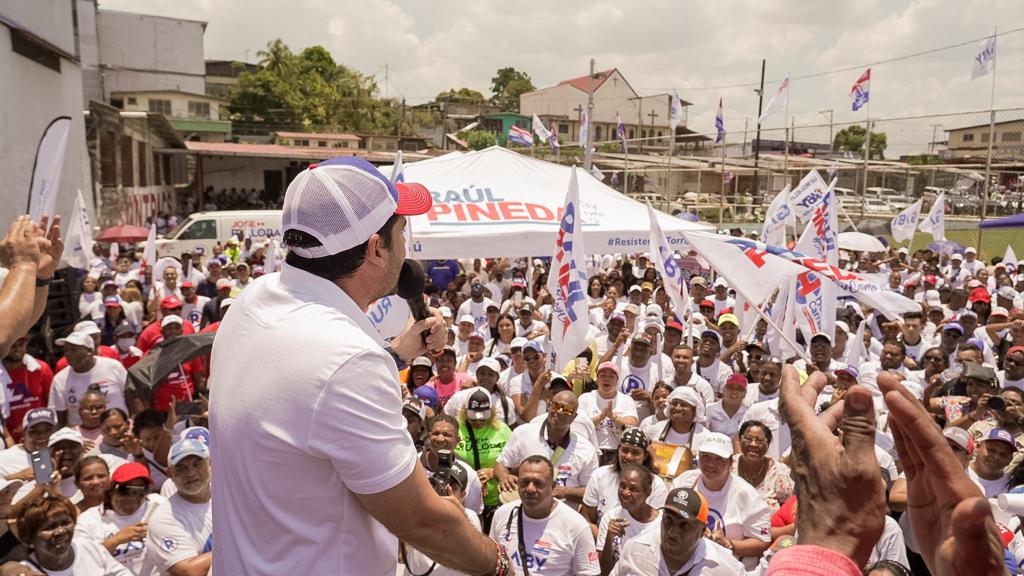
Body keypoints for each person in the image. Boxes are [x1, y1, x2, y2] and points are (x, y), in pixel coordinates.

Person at [209, 158, 503, 574]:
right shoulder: (349, 361)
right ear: (375, 249)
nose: (407, 246)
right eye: (402, 231)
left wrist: (395, 354)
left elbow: (307, 397)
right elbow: (423, 521)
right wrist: (503, 564)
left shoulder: (252, 301)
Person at [672, 432, 771, 569]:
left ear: (731, 462)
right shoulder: (683, 482)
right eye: (706, 456)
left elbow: (762, 542)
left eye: (719, 459)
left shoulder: (748, 496)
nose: (711, 464)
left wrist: (727, 544)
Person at [488, 455, 600, 576]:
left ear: (552, 487)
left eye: (538, 483)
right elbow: (491, 562)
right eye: (524, 482)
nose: (530, 489)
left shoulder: (576, 526)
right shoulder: (502, 514)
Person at [495, 390, 599, 506]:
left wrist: (565, 491)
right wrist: (504, 477)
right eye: (555, 406)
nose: (559, 411)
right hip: (522, 510)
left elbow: (592, 491)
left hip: (561, 517)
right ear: (549, 406)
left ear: (574, 416)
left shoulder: (586, 450)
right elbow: (502, 464)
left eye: (567, 410)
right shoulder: (522, 433)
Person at [609, 486, 743, 575]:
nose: (672, 532)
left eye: (684, 525)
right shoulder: (635, 549)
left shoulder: (725, 567)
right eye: (668, 520)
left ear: (702, 531)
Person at [74, 462, 166, 574]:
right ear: (112, 489)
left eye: (141, 491)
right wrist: (115, 541)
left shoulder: (159, 506)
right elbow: (81, 563)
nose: (133, 497)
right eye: (125, 490)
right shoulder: (88, 521)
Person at [14, 494, 131, 575]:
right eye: (49, 527)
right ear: (29, 538)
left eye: (65, 523)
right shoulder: (26, 572)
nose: (60, 531)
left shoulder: (88, 547)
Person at [145, 439, 212, 576]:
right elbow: (189, 572)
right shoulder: (164, 519)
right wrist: (237, 545)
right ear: (170, 474)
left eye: (197, 464)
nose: (191, 473)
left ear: (211, 463)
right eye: (181, 467)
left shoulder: (231, 497)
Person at [581, 427, 668, 531]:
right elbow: (588, 520)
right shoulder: (599, 475)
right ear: (618, 450)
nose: (629, 457)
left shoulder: (657, 485)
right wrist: (604, 542)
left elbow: (654, 527)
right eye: (625, 450)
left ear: (645, 456)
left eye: (635, 453)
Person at [453, 388, 513, 531]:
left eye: (483, 416)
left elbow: (515, 464)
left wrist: (494, 472)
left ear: (491, 411)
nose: (478, 420)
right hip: (464, 501)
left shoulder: (503, 430)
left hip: (496, 500)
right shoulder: (456, 428)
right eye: (473, 416)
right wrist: (474, 477)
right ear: (464, 410)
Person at [48, 331, 131, 427]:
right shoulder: (59, 379)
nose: (68, 354)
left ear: (90, 351)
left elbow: (132, 397)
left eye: (74, 349)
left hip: (117, 431)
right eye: (66, 350)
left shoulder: (113, 366)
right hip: (83, 439)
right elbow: (59, 419)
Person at [596, 464, 660, 574]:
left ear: (648, 492)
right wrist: (609, 538)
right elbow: (604, 572)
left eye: (633, 489)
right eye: (622, 486)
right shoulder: (611, 517)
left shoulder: (661, 524)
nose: (625, 492)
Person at [418, 415, 484, 517]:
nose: (440, 439)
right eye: (435, 433)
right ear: (429, 437)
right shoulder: (412, 465)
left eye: (447, 435)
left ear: (457, 440)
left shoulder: (469, 474)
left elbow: (474, 515)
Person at [577, 362, 639, 463]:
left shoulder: (626, 400)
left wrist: (613, 417)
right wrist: (600, 417)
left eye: (611, 376)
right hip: (591, 452)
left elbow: (632, 424)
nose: (607, 379)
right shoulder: (585, 398)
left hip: (616, 454)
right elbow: (580, 425)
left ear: (617, 381)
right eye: (603, 375)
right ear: (597, 380)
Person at [0, 335, 53, 444]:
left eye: (21, 344)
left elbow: (52, 405)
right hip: (9, 441)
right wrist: (8, 440)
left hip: (41, 438)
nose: (17, 349)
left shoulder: (41, 368)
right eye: (12, 345)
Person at [733, 420, 793, 513]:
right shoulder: (727, 467)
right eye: (748, 439)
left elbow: (791, 511)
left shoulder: (781, 474)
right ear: (740, 441)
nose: (753, 444)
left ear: (768, 445)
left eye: (760, 441)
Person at [967, 428, 1015, 497]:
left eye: (1004, 454)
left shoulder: (1011, 488)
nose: (996, 457)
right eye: (991, 450)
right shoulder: (958, 471)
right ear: (977, 447)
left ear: (1010, 460)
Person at [706, 374, 749, 438]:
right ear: (724, 390)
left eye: (739, 389)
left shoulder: (748, 413)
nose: (734, 391)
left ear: (744, 394)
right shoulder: (709, 409)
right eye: (730, 388)